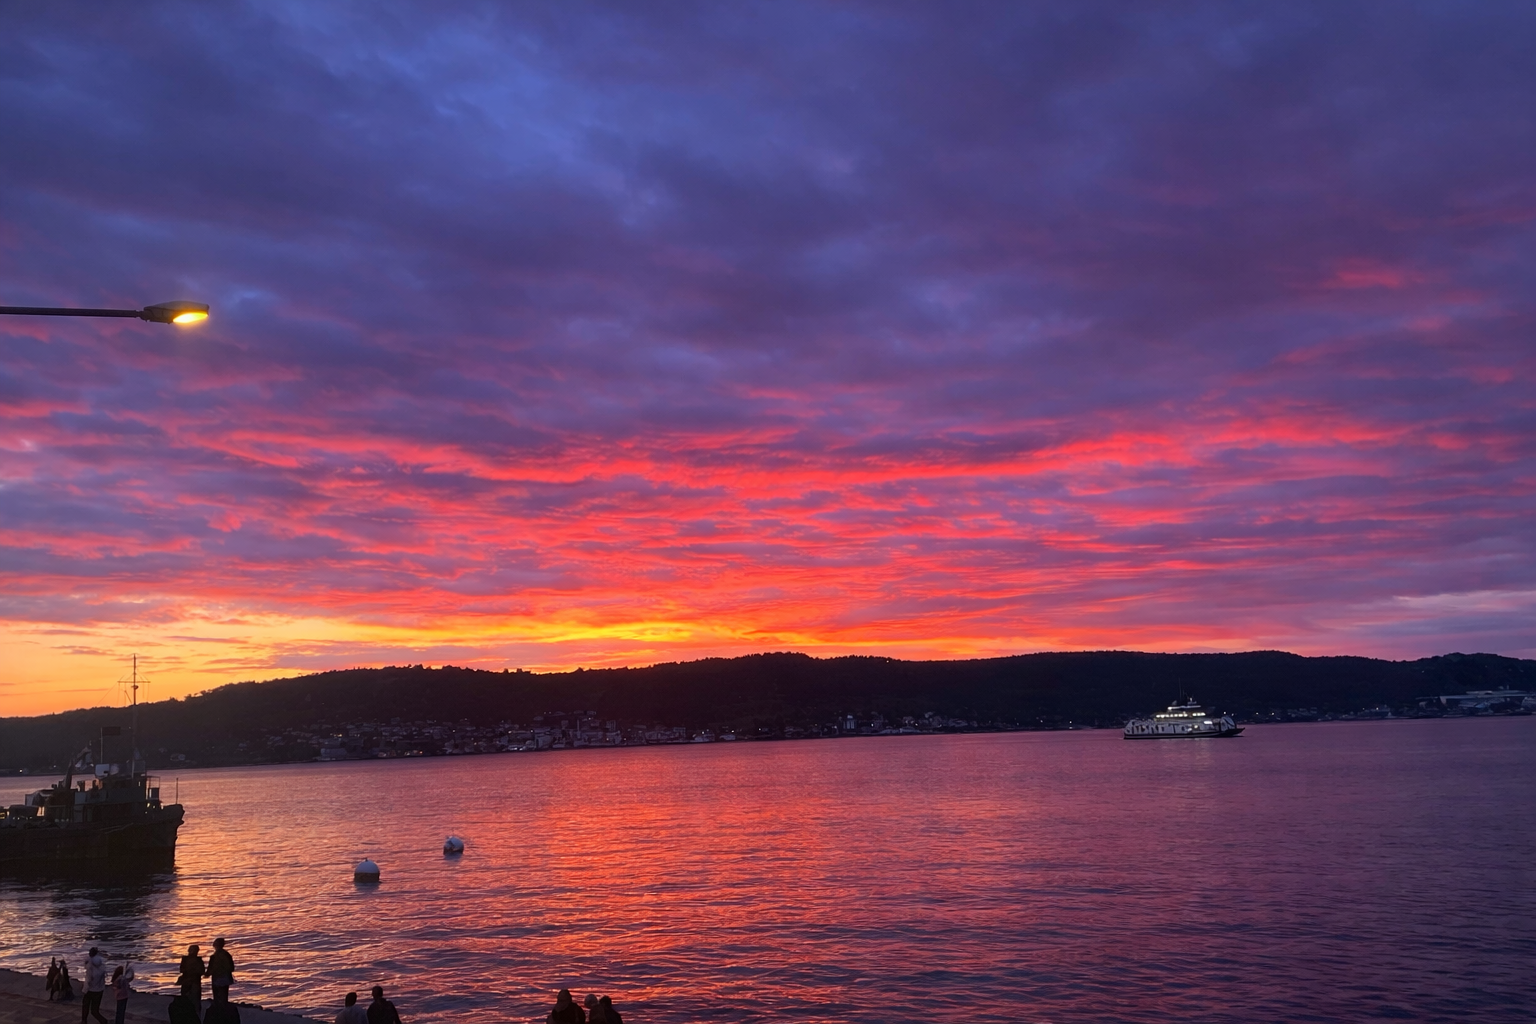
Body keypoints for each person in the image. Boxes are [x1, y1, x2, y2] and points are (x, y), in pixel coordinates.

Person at [83, 947, 109, 1024]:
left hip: (90, 990)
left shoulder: (90, 966)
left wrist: (85, 989)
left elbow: (88, 980)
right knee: (95, 1010)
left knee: (85, 1006)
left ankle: (84, 1021)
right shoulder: (101, 965)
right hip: (99, 990)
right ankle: (103, 1021)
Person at [206, 939, 235, 1004]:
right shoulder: (227, 954)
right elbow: (231, 968)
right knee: (224, 995)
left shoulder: (214, 956)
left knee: (217, 996)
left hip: (217, 978)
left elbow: (211, 968)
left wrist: (207, 974)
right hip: (226, 978)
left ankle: (218, 1009)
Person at [178, 944, 205, 1012]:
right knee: (190, 999)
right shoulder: (187, 959)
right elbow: (182, 970)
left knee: (192, 1000)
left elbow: (202, 971)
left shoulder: (196, 960)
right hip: (190, 982)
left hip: (191, 982)